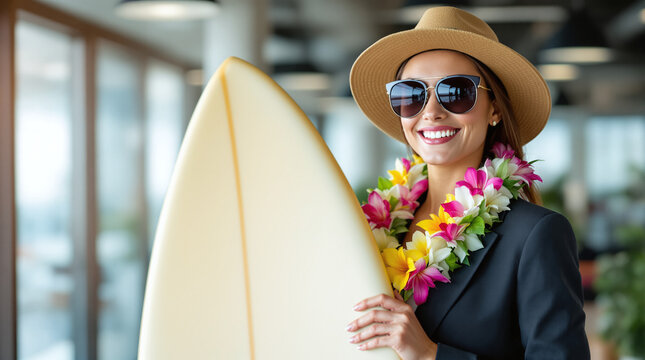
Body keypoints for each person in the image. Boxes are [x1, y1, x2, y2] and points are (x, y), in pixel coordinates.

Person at [345, 6, 590, 359]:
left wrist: (431, 354)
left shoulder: (537, 235)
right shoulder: (368, 229)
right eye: (411, 93)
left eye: (456, 91)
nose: (431, 111)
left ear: (494, 110)